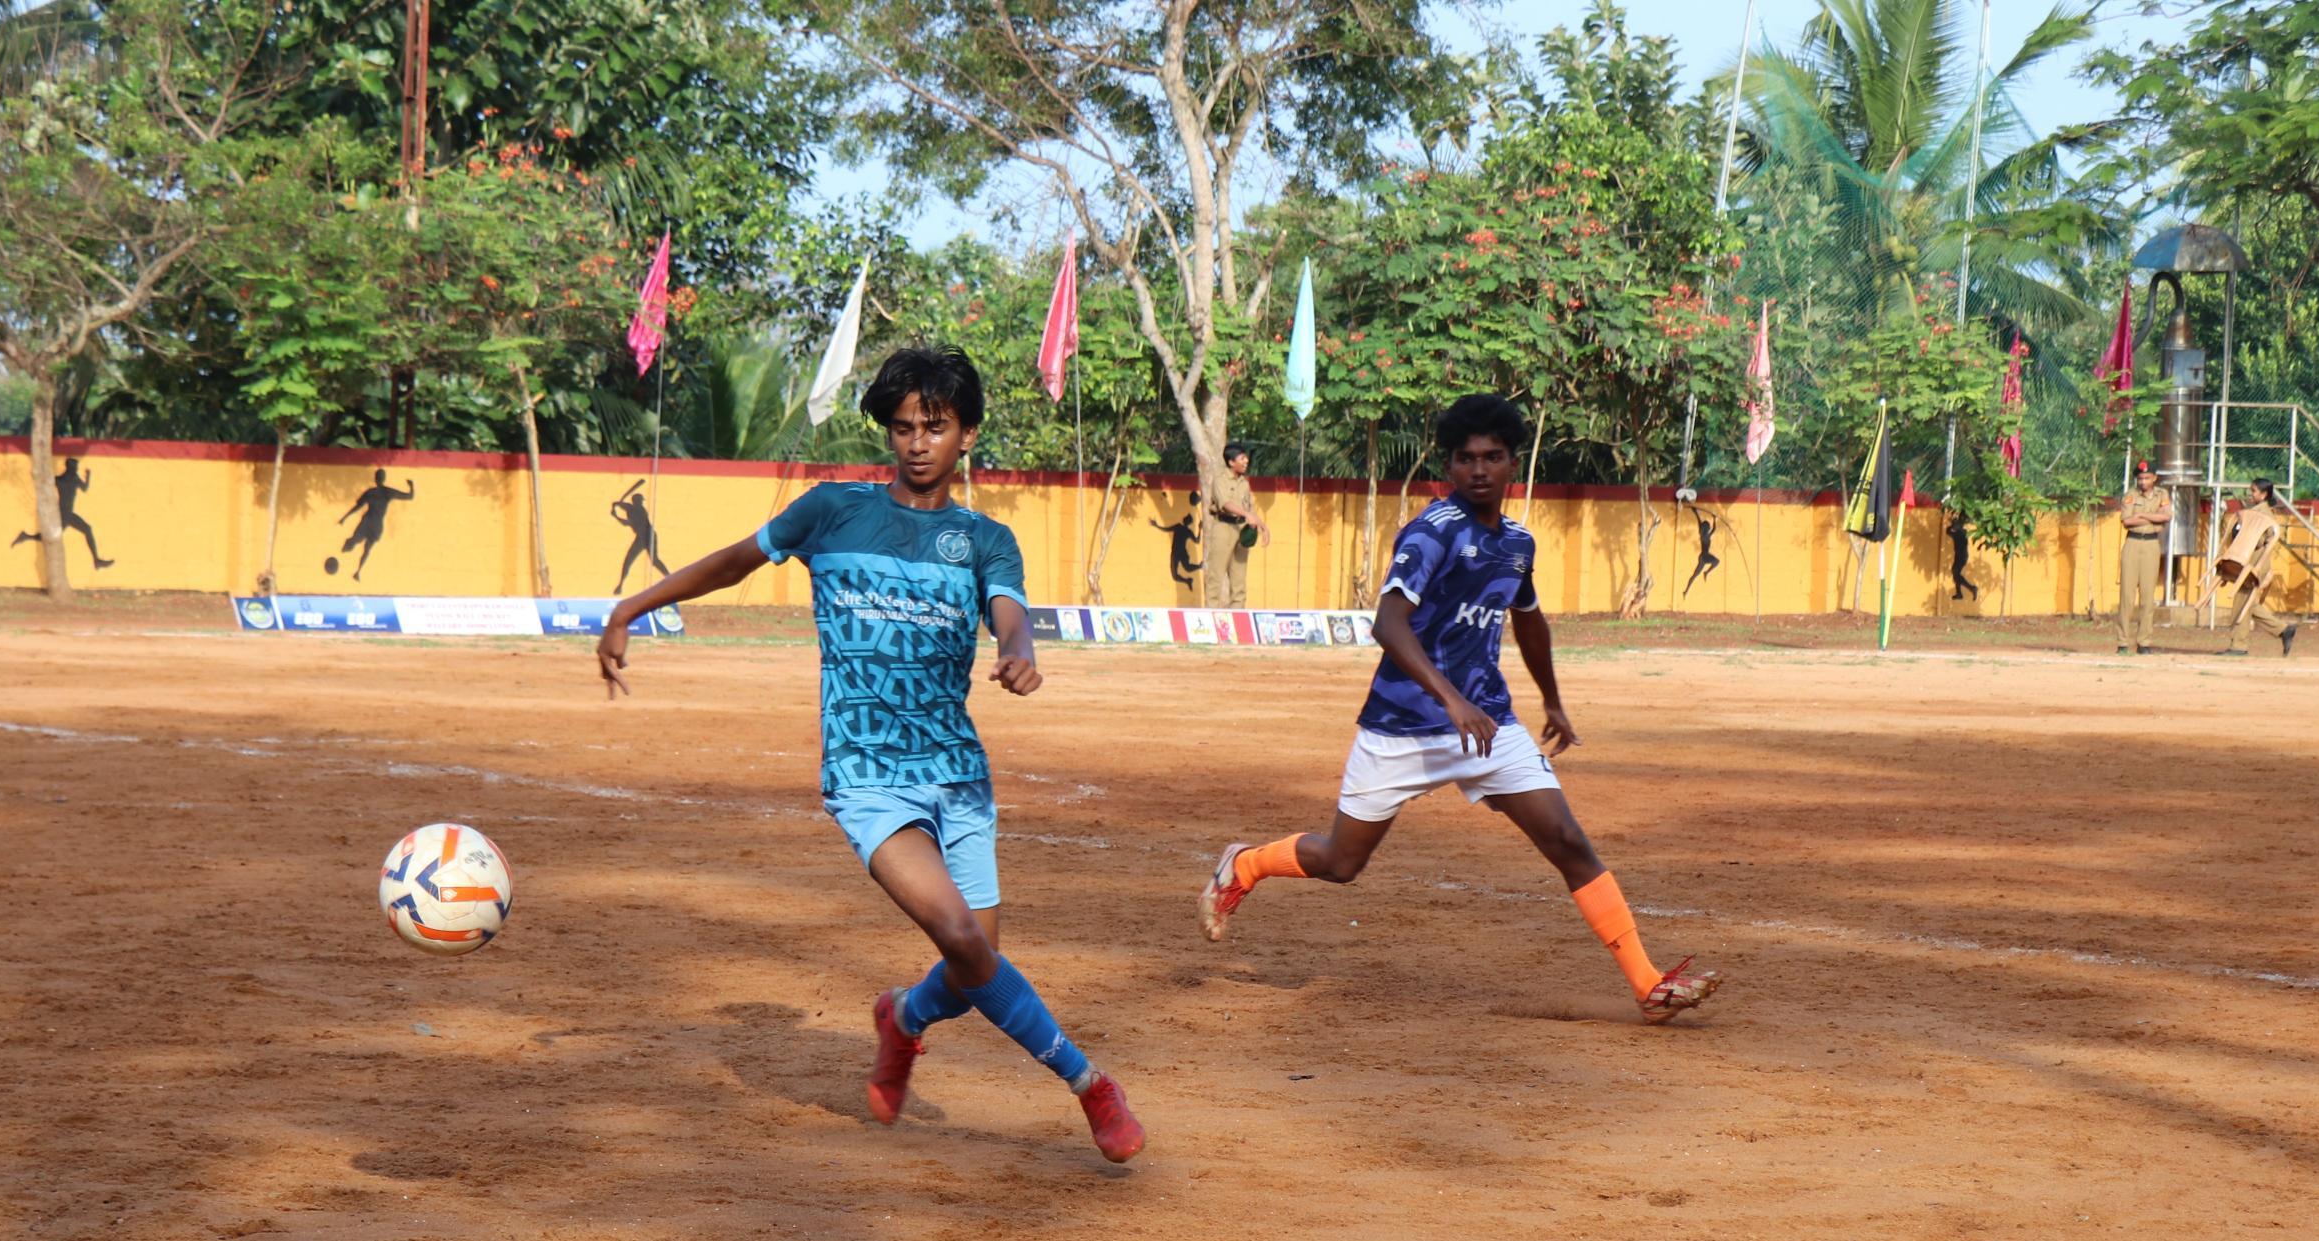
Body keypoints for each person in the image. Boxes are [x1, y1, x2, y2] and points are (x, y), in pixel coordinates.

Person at [592, 344, 1145, 1163]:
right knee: (962, 935)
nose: (917, 442)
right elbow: (732, 563)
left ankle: (904, 1018)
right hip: (867, 776)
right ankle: (1089, 1082)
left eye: (936, 426)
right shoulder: (830, 512)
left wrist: (1020, 650)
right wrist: (632, 605)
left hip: (957, 774)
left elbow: (1010, 613)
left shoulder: (984, 539)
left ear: (967, 436)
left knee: (972, 966)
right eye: (903, 427)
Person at [1196, 393, 1720, 1026]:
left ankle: (1647, 984)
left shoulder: (1517, 544)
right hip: (1405, 724)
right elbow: (1389, 624)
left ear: (1510, 464)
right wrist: (1452, 701)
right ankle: (1244, 864)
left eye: (1492, 457)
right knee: (1342, 862)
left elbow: (1528, 621)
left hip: (1487, 724)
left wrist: (1552, 700)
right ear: (1449, 466)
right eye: (1466, 458)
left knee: (1566, 839)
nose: (1479, 470)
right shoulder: (1432, 532)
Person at [2217, 477, 2303, 657]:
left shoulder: (2263, 515)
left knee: (2243, 603)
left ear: (2264, 495)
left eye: (2254, 491)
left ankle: (2239, 646)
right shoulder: (2252, 512)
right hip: (2247, 560)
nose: (2250, 494)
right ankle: (2283, 630)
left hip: (2255, 561)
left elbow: (2263, 539)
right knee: (2249, 603)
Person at [11, 457, 115, 569]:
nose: (76, 469)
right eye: (76, 468)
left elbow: (46, 482)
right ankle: (26, 536)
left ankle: (26, 536)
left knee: (83, 530)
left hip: (66, 513)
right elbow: (85, 488)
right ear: (71, 468)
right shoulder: (73, 479)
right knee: (58, 535)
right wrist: (88, 477)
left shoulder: (61, 479)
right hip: (65, 515)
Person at [1199, 441, 1263, 609]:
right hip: (1224, 528)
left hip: (1241, 529)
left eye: (1246, 458)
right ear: (1231, 462)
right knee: (1216, 574)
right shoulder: (1220, 480)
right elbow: (1225, 504)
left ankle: (1238, 617)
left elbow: (1250, 508)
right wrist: (1247, 514)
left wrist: (1262, 525)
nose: (1246, 461)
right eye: (1242, 459)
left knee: (1239, 577)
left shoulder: (1244, 483)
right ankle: (1210, 616)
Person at [2116, 461, 2171, 653]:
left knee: (2148, 597)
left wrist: (2142, 515)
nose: (2143, 481)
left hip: (2151, 545)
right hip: (2132, 543)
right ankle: (2123, 642)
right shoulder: (2130, 495)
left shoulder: (2162, 494)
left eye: (2147, 478)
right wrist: (2152, 515)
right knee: (2127, 597)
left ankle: (2144, 642)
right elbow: (2127, 520)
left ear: (2155, 478)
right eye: (2140, 478)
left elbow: (2166, 517)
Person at [335, 470, 415, 579]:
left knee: (355, 541)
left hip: (368, 523)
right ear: (383, 479)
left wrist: (345, 518)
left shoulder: (371, 492)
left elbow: (357, 507)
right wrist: (411, 486)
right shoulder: (387, 492)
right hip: (376, 525)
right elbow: (410, 496)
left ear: (375, 479)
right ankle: (357, 571)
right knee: (366, 548)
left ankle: (351, 564)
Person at [609, 478, 666, 590]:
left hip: (648, 536)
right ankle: (621, 584)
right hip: (642, 537)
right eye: (640, 500)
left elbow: (626, 520)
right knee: (629, 560)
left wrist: (615, 513)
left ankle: (669, 578)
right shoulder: (631, 509)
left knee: (654, 560)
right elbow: (618, 506)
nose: (641, 502)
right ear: (637, 501)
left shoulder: (637, 509)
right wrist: (616, 508)